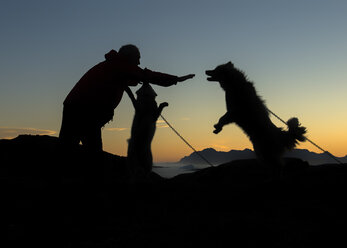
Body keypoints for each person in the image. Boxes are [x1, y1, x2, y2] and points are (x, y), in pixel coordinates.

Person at [59, 44, 194, 151]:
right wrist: (177, 79)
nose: (139, 62)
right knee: (92, 151)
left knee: (68, 147)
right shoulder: (120, 65)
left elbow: (129, 81)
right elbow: (147, 75)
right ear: (129, 57)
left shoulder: (112, 65)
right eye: (138, 58)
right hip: (85, 111)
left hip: (74, 106)